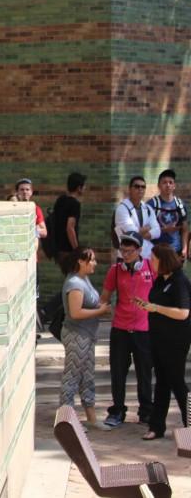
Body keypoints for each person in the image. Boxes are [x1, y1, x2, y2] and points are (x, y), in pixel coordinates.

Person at [135, 244, 191, 440]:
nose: (150, 261)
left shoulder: (179, 281)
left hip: (176, 341)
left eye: (153, 258)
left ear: (163, 259)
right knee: (162, 383)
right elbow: (156, 305)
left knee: (177, 383)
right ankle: (156, 427)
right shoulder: (160, 281)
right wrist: (148, 306)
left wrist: (156, 308)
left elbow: (183, 313)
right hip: (158, 339)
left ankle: (190, 425)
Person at [100, 232, 155, 429]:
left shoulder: (150, 267)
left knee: (144, 372)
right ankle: (117, 411)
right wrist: (102, 309)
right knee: (118, 372)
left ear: (140, 250)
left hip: (144, 330)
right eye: (122, 250)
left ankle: (146, 412)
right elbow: (105, 296)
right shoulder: (115, 271)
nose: (125, 254)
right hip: (120, 329)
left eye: (129, 251)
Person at [59, 246, 111, 429]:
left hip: (88, 336)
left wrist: (101, 307)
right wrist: (100, 311)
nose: (95, 263)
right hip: (76, 335)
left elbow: (90, 303)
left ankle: (92, 419)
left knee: (87, 377)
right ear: (81, 261)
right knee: (72, 377)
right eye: (92, 260)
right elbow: (75, 312)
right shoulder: (74, 283)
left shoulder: (84, 279)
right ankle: (66, 421)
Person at [113, 176, 159, 261]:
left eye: (143, 187)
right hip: (126, 258)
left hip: (146, 256)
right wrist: (148, 228)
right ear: (130, 189)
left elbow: (157, 231)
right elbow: (132, 234)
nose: (140, 189)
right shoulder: (122, 209)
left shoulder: (148, 208)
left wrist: (140, 233)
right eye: (137, 186)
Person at [149, 169, 188, 259]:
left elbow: (185, 229)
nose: (168, 185)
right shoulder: (152, 205)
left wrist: (184, 248)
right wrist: (162, 230)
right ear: (159, 185)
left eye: (171, 182)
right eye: (164, 182)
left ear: (174, 186)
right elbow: (146, 231)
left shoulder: (180, 204)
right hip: (157, 253)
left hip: (176, 252)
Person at [49, 172, 86, 263]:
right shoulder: (75, 204)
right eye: (83, 186)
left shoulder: (60, 200)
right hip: (68, 250)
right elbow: (70, 228)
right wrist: (77, 250)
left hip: (58, 247)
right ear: (79, 188)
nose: (85, 189)